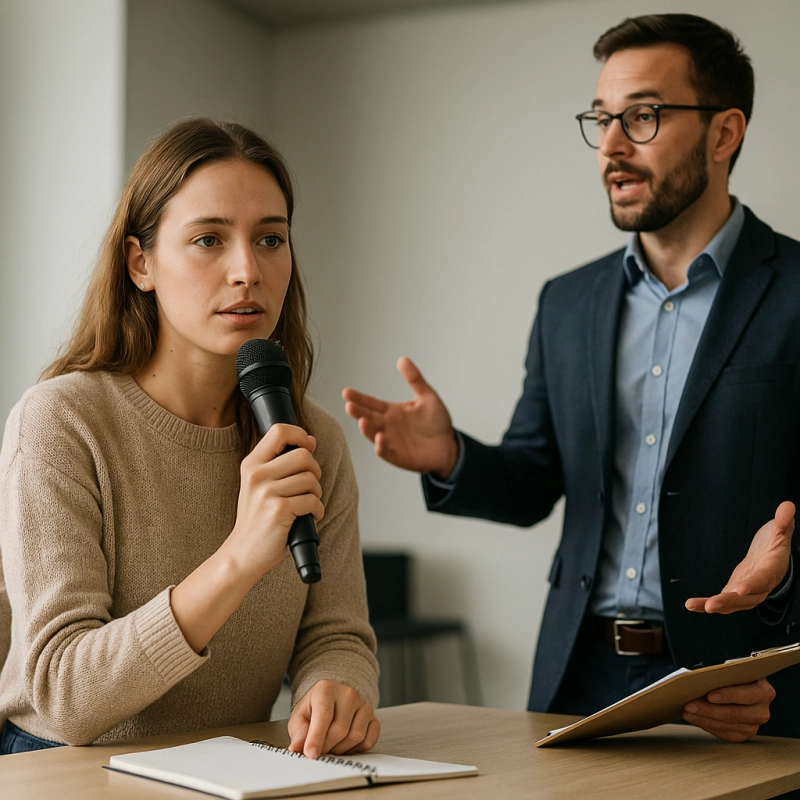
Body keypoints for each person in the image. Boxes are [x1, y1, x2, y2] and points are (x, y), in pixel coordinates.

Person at [343, 13, 800, 741]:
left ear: (724, 133)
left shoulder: (796, 291)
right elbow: (534, 482)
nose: (611, 148)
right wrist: (451, 457)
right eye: (601, 118)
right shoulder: (568, 302)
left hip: (741, 685)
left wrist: (788, 577)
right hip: (576, 680)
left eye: (643, 117)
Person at [0, 118, 380, 756]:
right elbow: (62, 693)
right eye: (209, 239)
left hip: (230, 765)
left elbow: (336, 632)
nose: (247, 271)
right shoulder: (61, 422)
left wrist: (336, 685)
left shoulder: (314, 439)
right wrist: (240, 557)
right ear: (140, 263)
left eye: (270, 239)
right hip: (64, 767)